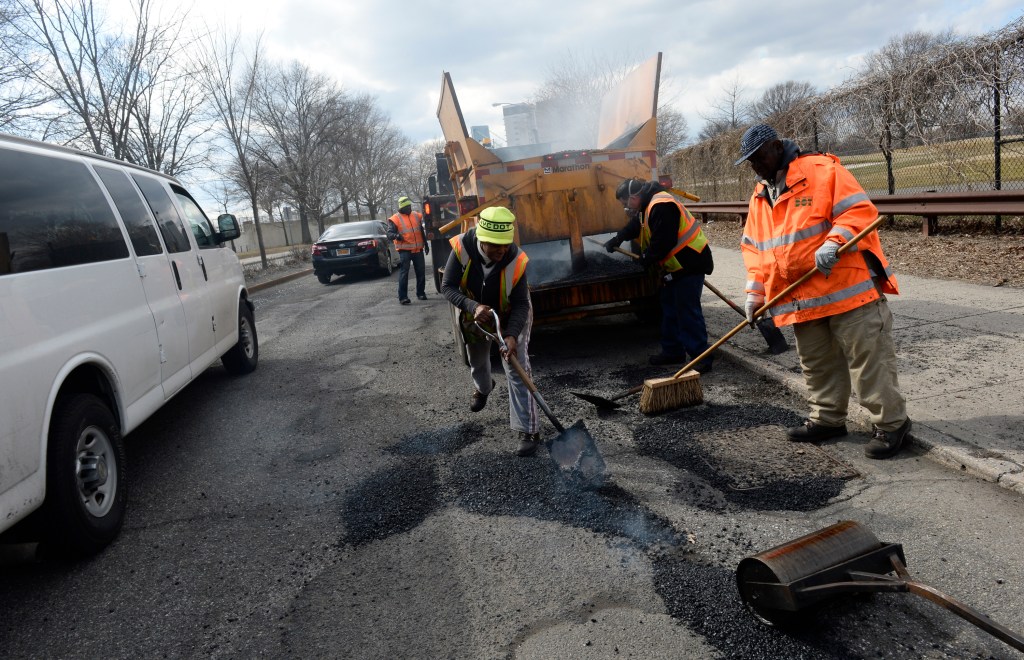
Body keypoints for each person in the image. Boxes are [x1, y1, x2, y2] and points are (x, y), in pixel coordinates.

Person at [735, 123, 911, 459]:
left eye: (757, 157)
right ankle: (828, 419)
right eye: (749, 162)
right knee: (817, 363)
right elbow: (757, 252)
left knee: (868, 359)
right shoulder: (760, 197)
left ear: (775, 147)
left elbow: (859, 211)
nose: (754, 166)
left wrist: (835, 241)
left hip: (847, 289)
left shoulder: (821, 171)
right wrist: (754, 294)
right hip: (803, 298)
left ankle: (891, 425)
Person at [441, 206, 541, 457]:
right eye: (495, 245)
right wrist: (472, 306)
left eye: (505, 245)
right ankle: (483, 388)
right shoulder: (461, 248)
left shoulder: (517, 260)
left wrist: (511, 334)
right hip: (474, 309)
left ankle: (528, 429)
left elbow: (521, 303)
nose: (501, 250)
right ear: (480, 240)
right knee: (476, 358)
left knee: (517, 367)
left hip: (510, 311)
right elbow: (448, 286)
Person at [604, 178, 715, 370]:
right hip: (674, 267)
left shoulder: (661, 205)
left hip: (690, 263)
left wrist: (646, 258)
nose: (624, 206)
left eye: (625, 202)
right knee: (670, 309)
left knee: (687, 312)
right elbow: (636, 226)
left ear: (634, 197)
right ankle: (673, 352)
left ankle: (701, 359)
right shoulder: (646, 207)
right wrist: (618, 238)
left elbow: (664, 241)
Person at [386, 196, 429, 304]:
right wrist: (397, 235)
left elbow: (421, 232)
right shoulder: (395, 219)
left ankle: (421, 293)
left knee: (421, 272)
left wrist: (426, 244)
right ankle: (403, 297)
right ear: (402, 208)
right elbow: (389, 234)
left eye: (410, 206)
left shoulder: (416, 216)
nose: (410, 208)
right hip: (404, 251)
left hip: (418, 250)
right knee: (404, 274)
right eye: (407, 207)